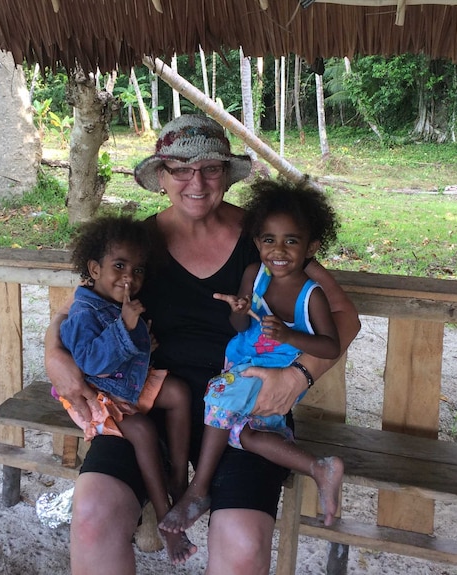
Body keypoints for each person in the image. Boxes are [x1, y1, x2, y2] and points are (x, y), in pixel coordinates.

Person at [44, 114, 361, 575]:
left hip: (246, 405)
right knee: (91, 517)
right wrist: (55, 355)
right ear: (162, 177)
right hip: (146, 401)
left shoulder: (264, 241)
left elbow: (345, 318)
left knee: (243, 543)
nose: (197, 181)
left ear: (227, 176)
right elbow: (77, 309)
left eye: (211, 168)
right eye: (181, 169)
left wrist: (299, 375)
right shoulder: (138, 244)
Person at [159, 179, 346, 535]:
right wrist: (241, 308)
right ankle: (319, 467)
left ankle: (198, 490)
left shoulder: (311, 296)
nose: (279, 250)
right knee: (250, 437)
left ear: (312, 247)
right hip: (242, 369)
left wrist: (290, 335)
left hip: (267, 377)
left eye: (292, 241)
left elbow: (329, 346)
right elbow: (238, 323)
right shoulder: (253, 275)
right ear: (258, 242)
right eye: (269, 240)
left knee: (217, 396)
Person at [56, 215, 195, 564]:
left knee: (178, 394)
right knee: (144, 433)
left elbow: (130, 348)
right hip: (99, 396)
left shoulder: (115, 300)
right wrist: (126, 327)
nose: (129, 277)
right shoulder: (85, 310)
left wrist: (141, 340)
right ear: (94, 267)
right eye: (119, 266)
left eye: (138, 269)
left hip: (124, 384)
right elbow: (90, 362)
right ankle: (166, 518)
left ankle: (179, 480)